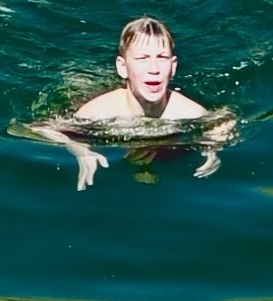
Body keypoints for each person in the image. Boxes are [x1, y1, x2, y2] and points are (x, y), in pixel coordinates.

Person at [29, 14, 230, 188]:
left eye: (162, 57)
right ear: (123, 67)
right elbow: (37, 128)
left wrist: (212, 148)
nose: (154, 68)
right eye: (142, 58)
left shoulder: (187, 111)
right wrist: (80, 150)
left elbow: (226, 119)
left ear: (173, 66)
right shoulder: (100, 112)